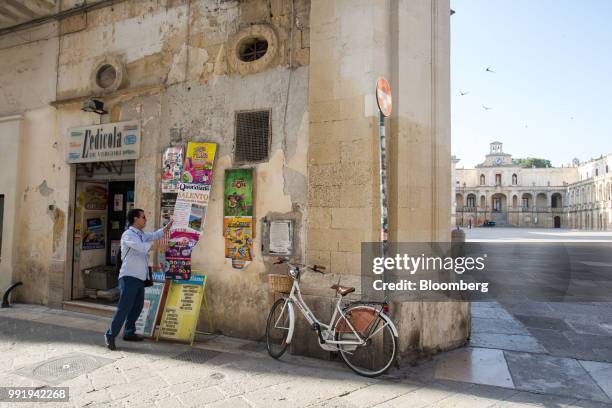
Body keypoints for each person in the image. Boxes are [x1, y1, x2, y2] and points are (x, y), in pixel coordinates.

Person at [104, 208, 172, 350]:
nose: (145, 219)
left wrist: (167, 227)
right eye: (143, 217)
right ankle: (110, 335)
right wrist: (158, 247)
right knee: (124, 308)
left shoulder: (141, 234)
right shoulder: (128, 235)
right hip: (129, 277)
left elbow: (154, 235)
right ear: (135, 219)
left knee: (137, 306)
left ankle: (129, 332)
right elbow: (141, 247)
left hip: (139, 277)